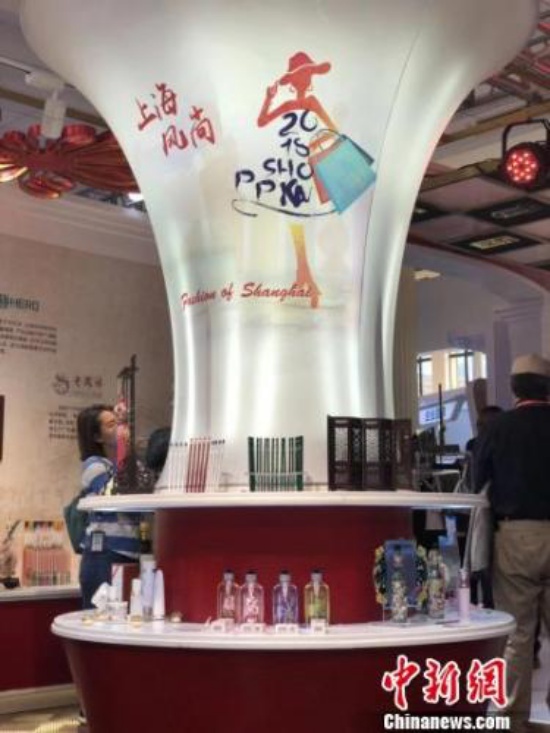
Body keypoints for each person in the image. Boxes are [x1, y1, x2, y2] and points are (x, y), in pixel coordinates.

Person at [474, 354, 550, 733]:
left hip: (515, 537)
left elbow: (477, 483)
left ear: (514, 388)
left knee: (518, 633)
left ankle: (513, 719)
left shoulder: (498, 428)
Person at [76, 404, 141, 609]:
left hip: (129, 552)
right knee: (99, 617)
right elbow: (113, 495)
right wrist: (125, 452)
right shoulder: (94, 465)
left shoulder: (128, 464)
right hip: (103, 553)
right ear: (97, 437)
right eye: (112, 424)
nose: (121, 429)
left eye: (121, 423)